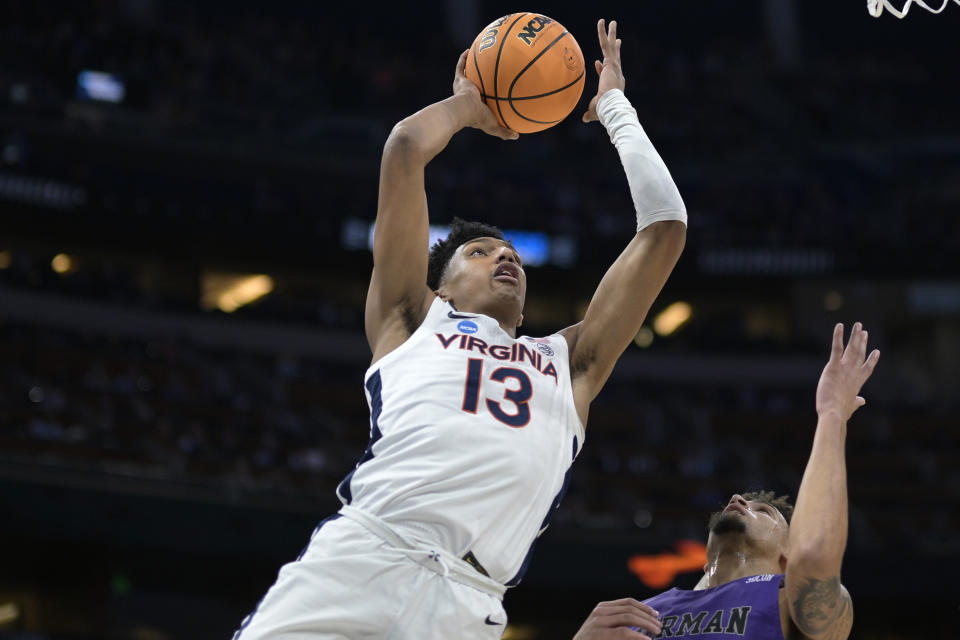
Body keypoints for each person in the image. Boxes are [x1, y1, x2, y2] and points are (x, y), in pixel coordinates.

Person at [232, 17, 687, 639]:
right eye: (480, 253)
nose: (505, 258)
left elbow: (665, 228)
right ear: (440, 285)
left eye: (512, 255)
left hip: (470, 605)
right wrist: (471, 105)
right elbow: (404, 148)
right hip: (363, 559)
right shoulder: (411, 318)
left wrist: (614, 108)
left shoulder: (570, 363)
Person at [573, 322, 880, 640]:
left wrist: (832, 414)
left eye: (764, 511)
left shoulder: (789, 601)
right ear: (705, 564)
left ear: (787, 557)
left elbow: (814, 554)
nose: (738, 499)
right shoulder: (640, 613)